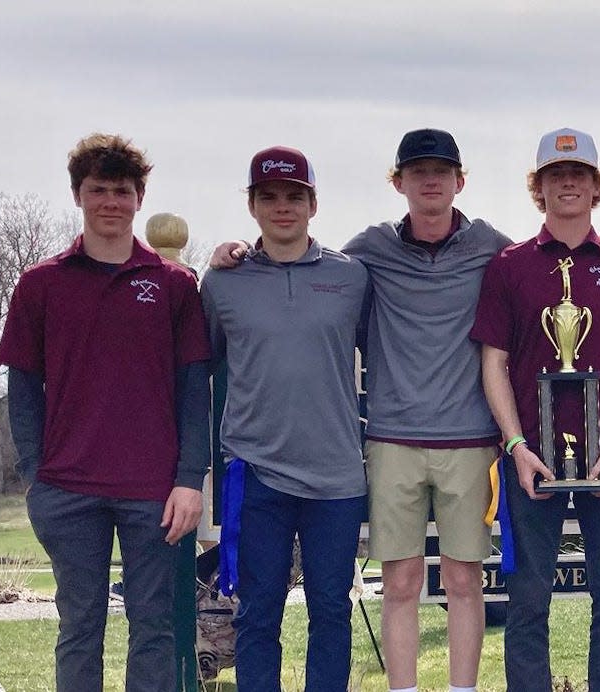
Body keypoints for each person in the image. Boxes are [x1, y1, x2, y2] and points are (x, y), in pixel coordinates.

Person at [207, 130, 600, 692]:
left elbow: (549, 262)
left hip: (470, 439)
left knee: (463, 583)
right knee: (401, 582)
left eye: (441, 170)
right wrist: (235, 252)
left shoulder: (495, 250)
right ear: (400, 182)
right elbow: (303, 270)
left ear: (460, 181)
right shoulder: (365, 254)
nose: (429, 180)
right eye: (417, 170)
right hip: (391, 440)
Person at [0, 132, 210, 692]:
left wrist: (190, 480)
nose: (110, 202)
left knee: (155, 630)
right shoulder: (41, 284)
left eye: (122, 190)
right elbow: (22, 390)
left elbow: (195, 392)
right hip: (67, 489)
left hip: (154, 493)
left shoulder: (173, 285)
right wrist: (33, 476)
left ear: (140, 198)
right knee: (79, 627)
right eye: (98, 190)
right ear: (78, 195)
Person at [470, 127, 600, 692]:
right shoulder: (510, 266)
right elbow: (494, 364)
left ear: (595, 185)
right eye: (556, 176)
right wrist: (516, 446)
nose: (568, 184)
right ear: (540, 187)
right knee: (528, 599)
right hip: (533, 456)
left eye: (578, 174)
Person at [200, 145, 369, 689]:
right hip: (256, 473)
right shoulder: (223, 282)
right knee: (256, 613)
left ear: (313, 204)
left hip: (336, 475)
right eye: (268, 196)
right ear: (252, 206)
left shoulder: (351, 278)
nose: (282, 207)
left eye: (294, 196)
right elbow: (201, 365)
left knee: (330, 610)